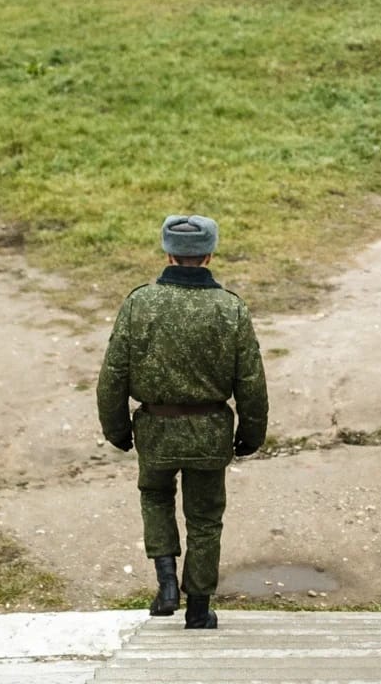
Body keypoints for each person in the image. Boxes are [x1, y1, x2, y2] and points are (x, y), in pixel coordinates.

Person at [97, 214, 268, 629]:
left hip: (155, 432)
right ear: (209, 254)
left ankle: (167, 583)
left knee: (155, 497)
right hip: (210, 436)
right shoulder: (230, 309)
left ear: (168, 252)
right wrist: (250, 434)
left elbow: (113, 374)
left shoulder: (139, 303)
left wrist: (117, 430)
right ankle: (198, 609)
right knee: (206, 520)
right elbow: (250, 381)